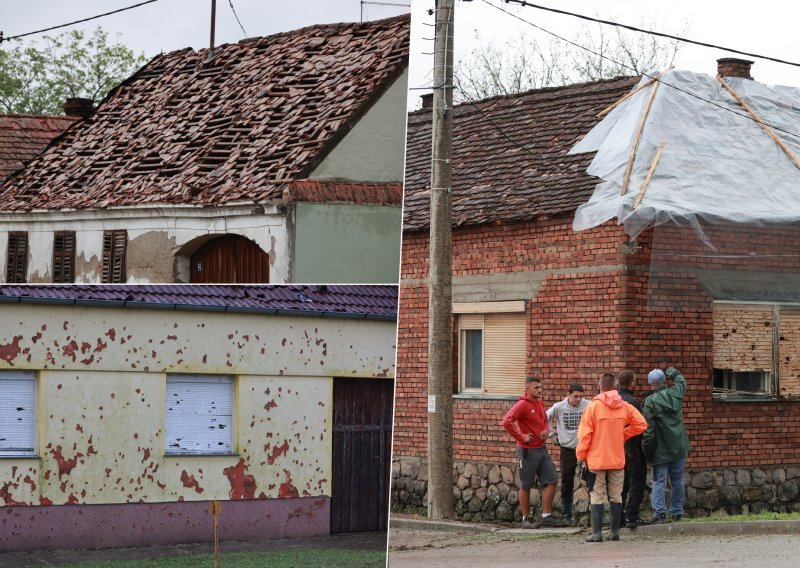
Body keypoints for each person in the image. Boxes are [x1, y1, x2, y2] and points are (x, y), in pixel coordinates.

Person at [577, 372, 647, 542]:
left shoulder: (592, 407)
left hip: (597, 459)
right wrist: (623, 434)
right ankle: (614, 532)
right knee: (616, 495)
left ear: (599, 386)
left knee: (597, 495)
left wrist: (581, 456)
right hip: (617, 458)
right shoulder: (624, 406)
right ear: (615, 387)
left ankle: (597, 533)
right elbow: (642, 424)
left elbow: (585, 436)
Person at [502, 376, 567, 528]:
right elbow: (507, 421)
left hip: (542, 448)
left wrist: (545, 430)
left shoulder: (539, 401)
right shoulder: (522, 405)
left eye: (540, 387)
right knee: (526, 485)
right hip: (527, 451)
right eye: (536, 388)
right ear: (527, 389)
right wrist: (521, 436)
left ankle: (546, 516)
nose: (540, 390)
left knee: (551, 480)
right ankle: (526, 519)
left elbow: (545, 419)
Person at [642, 367, 690, 523]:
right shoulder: (676, 393)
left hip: (661, 449)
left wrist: (647, 450)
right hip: (679, 446)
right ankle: (677, 511)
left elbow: (649, 430)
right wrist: (672, 371)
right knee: (677, 480)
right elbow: (681, 381)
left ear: (651, 384)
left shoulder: (650, 401)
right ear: (664, 381)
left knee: (659, 481)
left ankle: (660, 513)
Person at [546, 383, 589, 525]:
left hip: (585, 447)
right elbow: (544, 418)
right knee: (567, 480)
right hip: (567, 448)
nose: (578, 400)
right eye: (575, 396)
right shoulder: (559, 407)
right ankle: (567, 514)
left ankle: (594, 512)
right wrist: (551, 434)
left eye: (581, 397)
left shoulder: (588, 405)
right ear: (568, 395)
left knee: (591, 478)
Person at [616, 370, 648, 528]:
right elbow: (641, 426)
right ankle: (632, 516)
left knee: (620, 484)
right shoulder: (632, 402)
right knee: (637, 482)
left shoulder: (613, 401)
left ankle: (619, 517)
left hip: (615, 448)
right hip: (633, 448)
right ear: (632, 383)